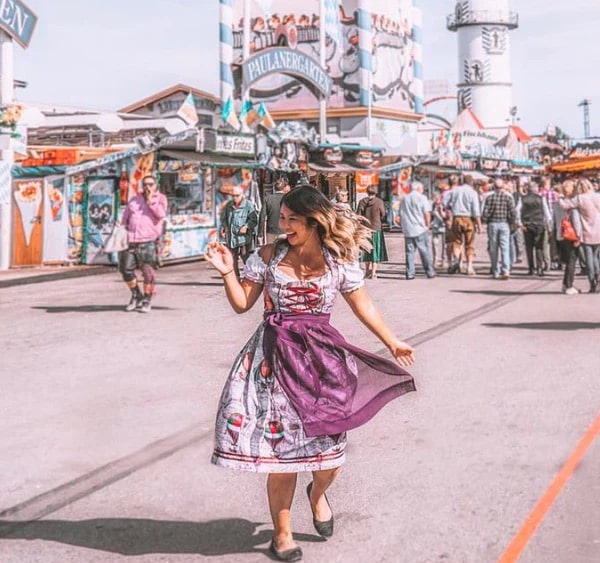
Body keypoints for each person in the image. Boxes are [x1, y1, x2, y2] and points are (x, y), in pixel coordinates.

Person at [204, 185, 416, 562]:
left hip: (322, 361)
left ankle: (317, 494)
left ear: (315, 221)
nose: (283, 225)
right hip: (273, 360)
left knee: (330, 455)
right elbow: (241, 305)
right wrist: (228, 272)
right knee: (281, 455)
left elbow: (362, 303)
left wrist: (393, 340)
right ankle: (282, 535)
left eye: (292, 220)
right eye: (281, 218)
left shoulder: (339, 261)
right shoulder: (268, 256)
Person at [119, 174, 167, 313]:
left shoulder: (160, 199)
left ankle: (147, 299)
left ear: (156, 185)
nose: (148, 187)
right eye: (145, 184)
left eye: (151, 184)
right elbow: (126, 218)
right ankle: (136, 295)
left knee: (148, 274)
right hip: (131, 241)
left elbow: (161, 214)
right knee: (126, 270)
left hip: (148, 241)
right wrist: (121, 227)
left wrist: (151, 200)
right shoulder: (134, 200)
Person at [559, 177, 600, 293]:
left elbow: (565, 205)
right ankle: (599, 278)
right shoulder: (597, 196)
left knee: (589, 259)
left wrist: (560, 197)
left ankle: (593, 283)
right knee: (596, 257)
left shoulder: (579, 198)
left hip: (586, 231)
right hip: (598, 229)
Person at [446, 174, 482, 275]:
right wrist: (479, 225)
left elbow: (446, 203)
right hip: (468, 219)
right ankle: (469, 267)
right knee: (469, 244)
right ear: (471, 183)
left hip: (456, 218)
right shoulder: (473, 193)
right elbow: (476, 210)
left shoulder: (455, 191)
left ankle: (457, 261)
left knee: (457, 242)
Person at [481, 178, 516, 280]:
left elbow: (485, 212)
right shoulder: (508, 197)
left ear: (494, 187)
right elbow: (513, 212)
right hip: (504, 224)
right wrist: (511, 222)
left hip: (493, 224)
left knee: (493, 248)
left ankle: (495, 271)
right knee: (505, 248)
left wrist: (485, 221)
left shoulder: (489, 198)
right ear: (503, 187)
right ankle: (506, 270)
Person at [400, 181, 435, 280]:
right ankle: (429, 272)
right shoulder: (422, 198)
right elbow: (426, 213)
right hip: (420, 228)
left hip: (408, 229)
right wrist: (428, 225)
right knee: (424, 251)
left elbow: (401, 214)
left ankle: (410, 273)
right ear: (419, 189)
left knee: (409, 252)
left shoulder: (404, 199)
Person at [220, 185, 258, 277]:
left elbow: (254, 220)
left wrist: (247, 226)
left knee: (246, 258)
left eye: (237, 195)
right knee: (232, 259)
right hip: (232, 237)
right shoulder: (229, 205)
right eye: (233, 195)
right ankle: (236, 278)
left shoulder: (248, 205)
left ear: (242, 195)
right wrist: (224, 227)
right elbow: (224, 218)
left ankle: (250, 277)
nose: (235, 198)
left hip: (244, 239)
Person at [553, 180, 583, 294]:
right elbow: (575, 221)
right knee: (572, 260)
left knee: (567, 260)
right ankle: (569, 286)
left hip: (561, 234)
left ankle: (566, 284)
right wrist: (578, 236)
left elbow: (554, 218)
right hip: (571, 235)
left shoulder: (557, 203)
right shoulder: (571, 204)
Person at [520, 182, 552, 276]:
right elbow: (547, 214)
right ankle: (539, 268)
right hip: (539, 224)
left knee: (529, 248)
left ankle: (531, 269)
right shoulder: (541, 199)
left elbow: (517, 211)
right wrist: (548, 226)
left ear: (528, 189)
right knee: (539, 247)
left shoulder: (522, 199)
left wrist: (520, 223)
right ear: (536, 189)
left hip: (527, 225)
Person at [357, 185, 388, 279]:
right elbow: (383, 215)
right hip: (376, 228)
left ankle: (367, 271)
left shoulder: (362, 201)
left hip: (365, 229)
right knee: (375, 250)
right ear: (376, 192)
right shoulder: (379, 202)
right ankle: (373, 272)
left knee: (366, 250)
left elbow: (358, 215)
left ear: (367, 191)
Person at [259, 177, 291, 243]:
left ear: (274, 187)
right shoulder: (288, 199)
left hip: (271, 232)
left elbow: (262, 216)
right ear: (284, 188)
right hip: (284, 231)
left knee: (271, 252)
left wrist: (260, 234)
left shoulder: (268, 198)